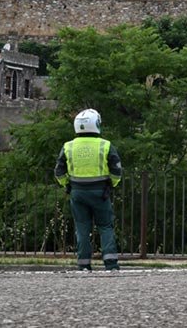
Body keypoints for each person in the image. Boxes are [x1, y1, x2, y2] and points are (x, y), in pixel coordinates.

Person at [54, 109, 123, 271]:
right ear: (97, 124)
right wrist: (111, 185)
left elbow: (59, 171)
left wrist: (67, 185)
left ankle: (84, 264)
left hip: (77, 192)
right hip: (100, 192)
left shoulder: (68, 146)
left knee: (82, 227)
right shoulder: (105, 145)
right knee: (105, 226)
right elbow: (116, 169)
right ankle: (111, 264)